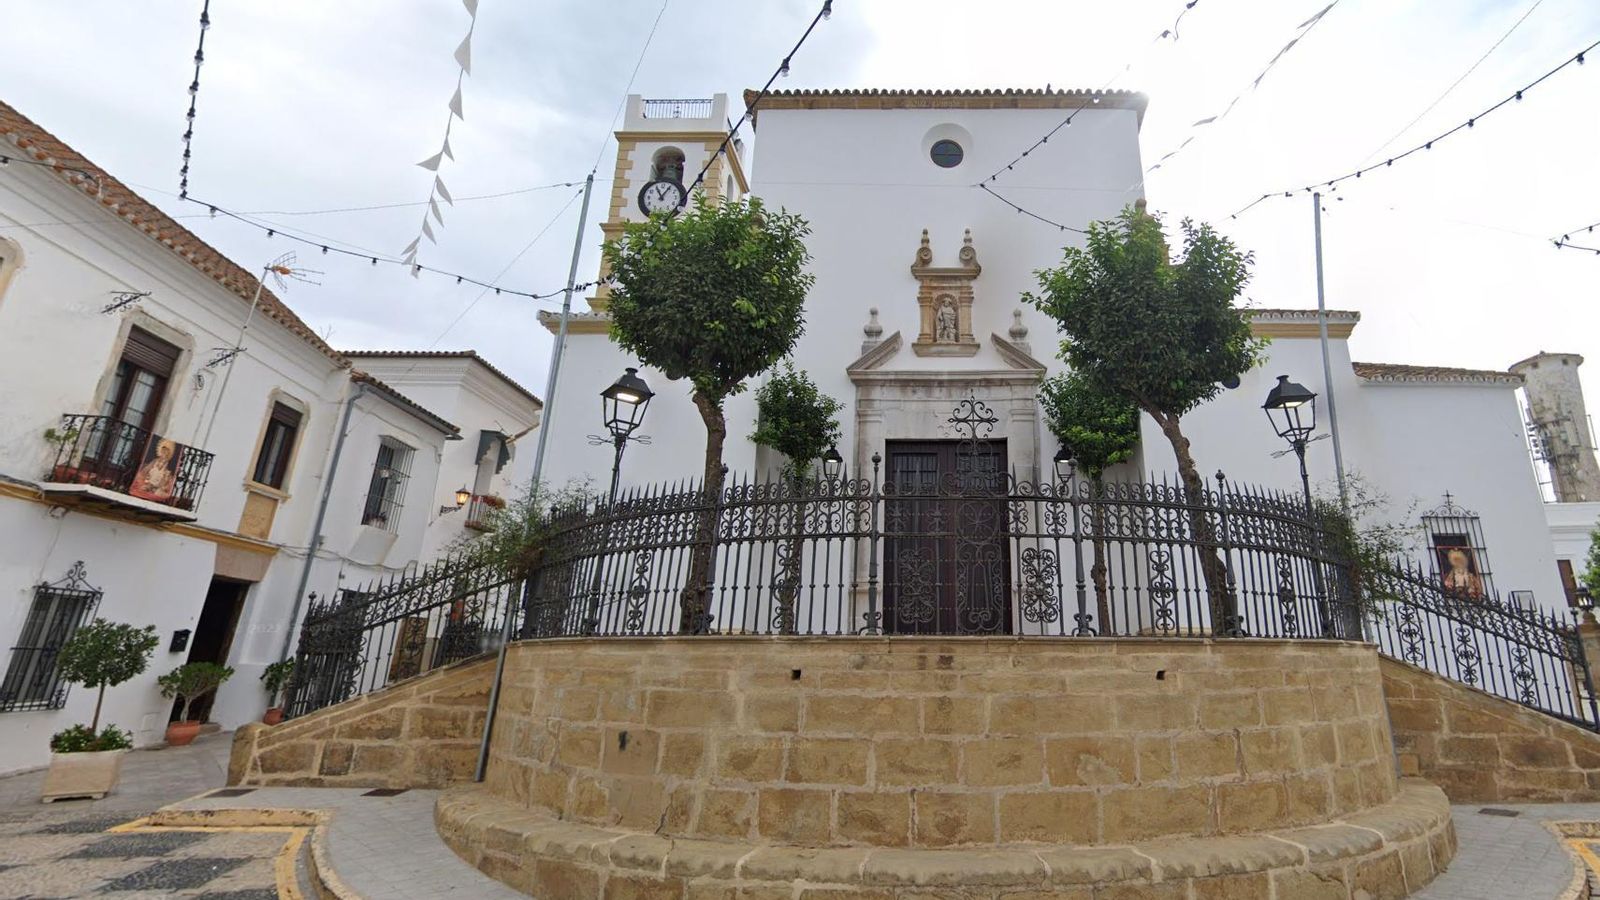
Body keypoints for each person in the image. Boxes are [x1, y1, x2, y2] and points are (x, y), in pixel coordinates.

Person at [130, 438, 178, 503]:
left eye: (166, 451)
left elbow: (166, 479)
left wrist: (161, 483)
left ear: (168, 453)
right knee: (142, 487)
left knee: (160, 493)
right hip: (148, 482)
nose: (164, 453)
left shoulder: (167, 465)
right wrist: (147, 480)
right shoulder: (155, 461)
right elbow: (145, 471)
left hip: (158, 485)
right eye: (163, 451)